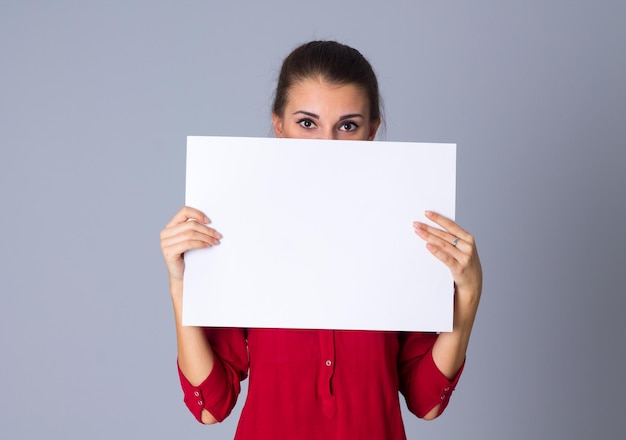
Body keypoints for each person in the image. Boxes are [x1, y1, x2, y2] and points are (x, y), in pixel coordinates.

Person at [160, 41, 482, 439]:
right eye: (307, 123)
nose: (327, 146)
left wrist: (467, 296)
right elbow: (211, 405)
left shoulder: (406, 231)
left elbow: (425, 400)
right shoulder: (238, 226)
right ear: (278, 124)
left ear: (372, 131)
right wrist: (181, 285)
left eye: (347, 126)